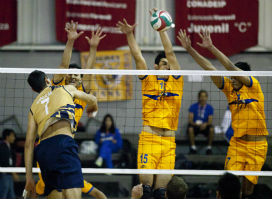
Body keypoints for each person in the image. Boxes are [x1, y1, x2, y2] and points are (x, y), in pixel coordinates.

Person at [177, 29, 268, 198]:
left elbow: (230, 67)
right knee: (229, 186)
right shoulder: (229, 89)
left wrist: (211, 47)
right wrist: (190, 49)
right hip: (237, 145)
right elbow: (209, 67)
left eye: (235, 77)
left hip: (257, 146)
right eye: (231, 77)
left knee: (247, 191)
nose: (232, 79)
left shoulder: (253, 87)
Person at [34, 21, 107, 199]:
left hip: (67, 144)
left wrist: (93, 48)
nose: (74, 75)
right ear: (66, 76)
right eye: (71, 73)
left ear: (82, 79)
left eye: (77, 74)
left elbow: (88, 69)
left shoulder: (82, 91)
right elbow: (63, 63)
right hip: (48, 143)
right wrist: (70, 41)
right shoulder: (58, 87)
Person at [117, 9, 184, 199]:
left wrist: (162, 29)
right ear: (156, 67)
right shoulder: (148, 79)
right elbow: (138, 56)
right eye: (164, 64)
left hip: (169, 142)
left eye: (169, 64)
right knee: (146, 189)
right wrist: (130, 34)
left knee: (161, 192)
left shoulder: (176, 79)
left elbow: (170, 52)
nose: (168, 67)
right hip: (150, 139)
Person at [24, 70, 98, 198]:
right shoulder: (66, 88)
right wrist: (94, 106)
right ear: (47, 80)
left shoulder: (33, 108)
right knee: (72, 194)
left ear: (32, 89)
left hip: (43, 150)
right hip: (62, 143)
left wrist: (29, 178)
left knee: (54, 193)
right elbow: (92, 99)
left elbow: (28, 144)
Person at [188, 90, 214, 154]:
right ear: (198, 97)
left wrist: (205, 124)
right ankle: (193, 148)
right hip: (195, 126)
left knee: (211, 129)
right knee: (190, 128)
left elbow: (210, 121)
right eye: (201, 96)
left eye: (204, 96)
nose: (203, 98)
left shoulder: (209, 107)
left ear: (207, 97)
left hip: (205, 126)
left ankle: (209, 148)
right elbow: (190, 120)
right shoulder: (193, 106)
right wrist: (196, 124)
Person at [0, 129, 17, 199]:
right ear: (7, 136)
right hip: (4, 174)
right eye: (12, 136)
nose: (14, 138)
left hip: (8, 174)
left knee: (11, 194)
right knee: (4, 193)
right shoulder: (3, 147)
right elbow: (5, 162)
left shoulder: (8, 146)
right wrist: (13, 172)